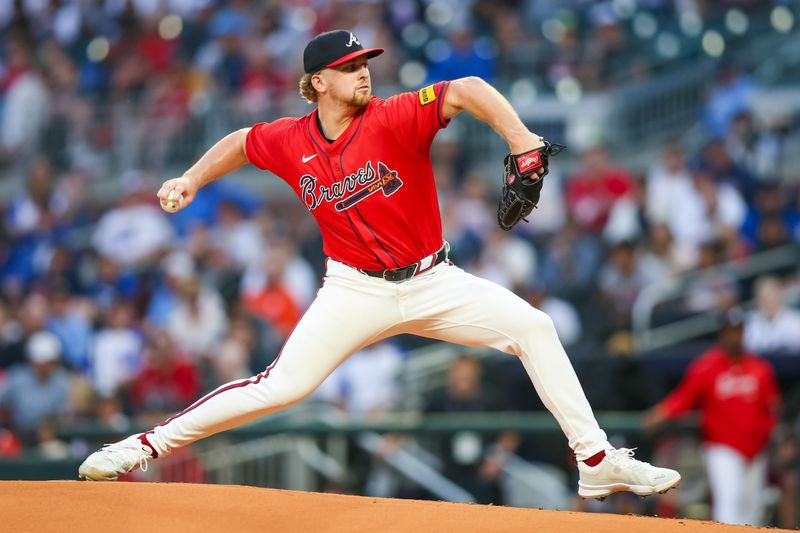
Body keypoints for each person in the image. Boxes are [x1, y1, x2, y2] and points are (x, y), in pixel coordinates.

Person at [78, 29, 680, 499]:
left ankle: (597, 463)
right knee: (281, 387)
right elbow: (241, 140)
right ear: (317, 82)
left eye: (365, 62)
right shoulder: (291, 139)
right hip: (353, 291)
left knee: (534, 328)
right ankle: (141, 446)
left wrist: (522, 140)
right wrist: (191, 177)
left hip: (433, 280)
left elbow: (466, 89)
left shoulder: (395, 116)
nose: (363, 70)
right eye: (348, 66)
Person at [643, 307, 782, 525]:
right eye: (730, 331)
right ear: (722, 333)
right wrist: (661, 412)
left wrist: (772, 436)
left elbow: (773, 406)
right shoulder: (707, 366)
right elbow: (684, 398)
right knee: (729, 503)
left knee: (752, 507)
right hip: (723, 448)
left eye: (738, 330)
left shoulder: (759, 368)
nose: (734, 336)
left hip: (756, 450)